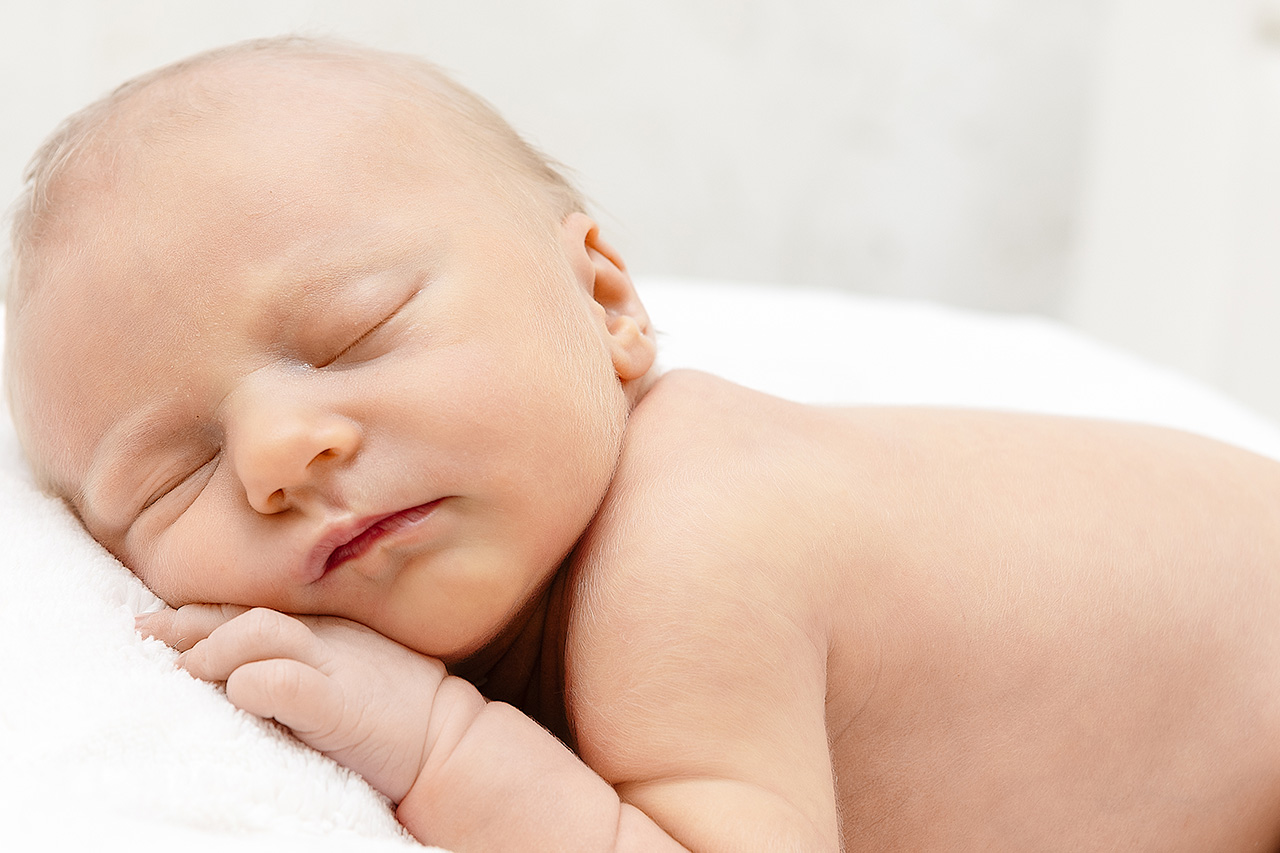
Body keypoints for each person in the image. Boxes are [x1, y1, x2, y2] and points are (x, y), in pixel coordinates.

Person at [7, 36, 1280, 852]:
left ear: (607, 303)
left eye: (351, 336)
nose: (280, 451)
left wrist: (441, 746)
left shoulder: (693, 544)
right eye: (170, 473)